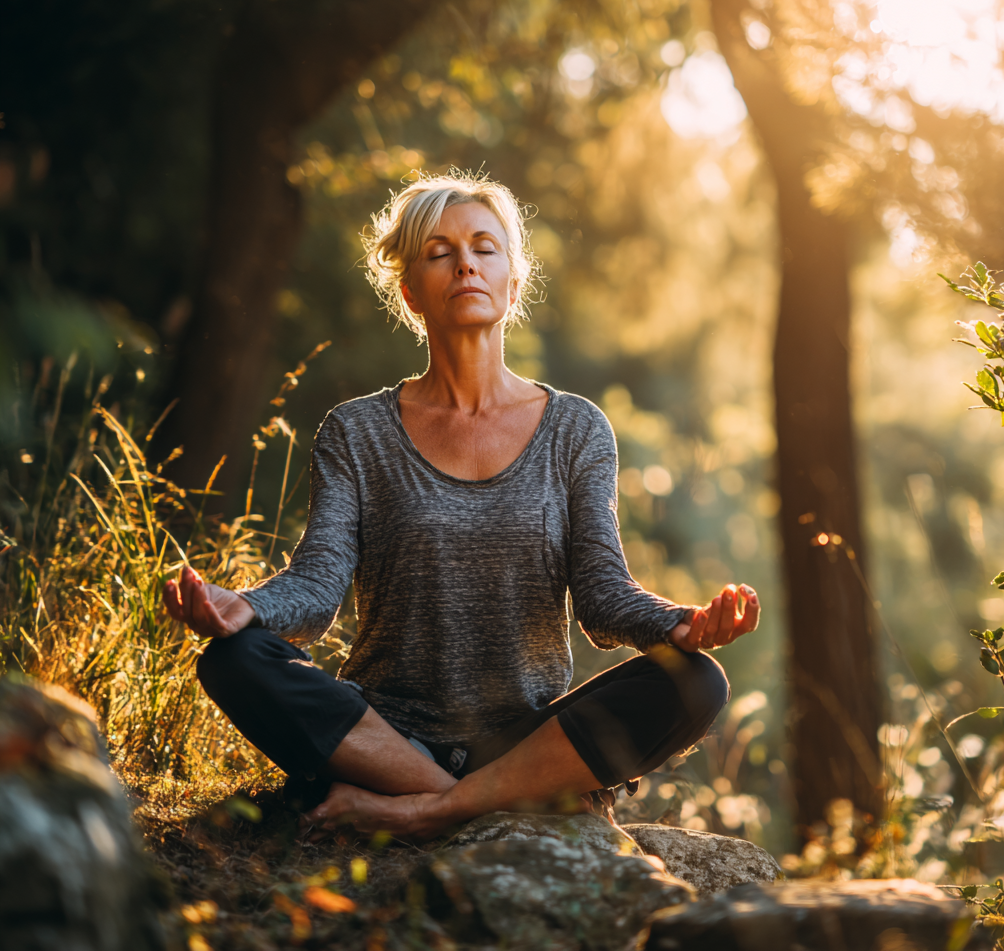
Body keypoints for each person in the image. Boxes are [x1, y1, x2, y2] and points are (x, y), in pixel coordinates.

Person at [162, 172, 760, 840]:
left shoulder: (576, 429)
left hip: (522, 737)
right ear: (412, 290)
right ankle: (484, 800)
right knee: (231, 660)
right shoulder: (356, 431)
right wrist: (247, 607)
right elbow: (318, 582)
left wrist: (678, 625)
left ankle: (431, 811)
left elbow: (601, 594)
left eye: (484, 247)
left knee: (696, 682)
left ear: (512, 279)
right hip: (386, 739)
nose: (466, 263)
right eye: (439, 252)